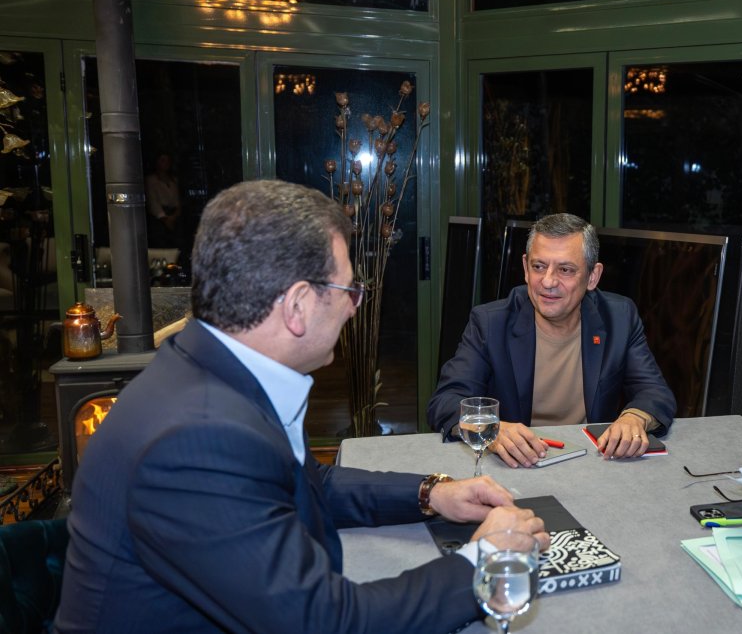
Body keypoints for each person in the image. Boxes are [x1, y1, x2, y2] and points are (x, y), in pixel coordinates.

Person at [55, 180, 548, 634]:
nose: (355, 306)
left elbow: (306, 484)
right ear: (296, 306)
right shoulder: (197, 439)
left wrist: (432, 493)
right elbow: (327, 623)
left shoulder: (212, 375)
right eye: (349, 290)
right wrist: (487, 561)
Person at [428, 213, 676, 465]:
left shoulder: (619, 317)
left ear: (593, 276)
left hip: (594, 462)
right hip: (516, 466)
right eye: (539, 266)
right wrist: (492, 429)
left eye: (565, 270)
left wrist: (634, 418)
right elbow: (446, 401)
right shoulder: (490, 322)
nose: (548, 281)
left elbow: (654, 391)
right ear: (525, 269)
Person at [144, 152, 181, 248]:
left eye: (168, 161)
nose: (166, 163)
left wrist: (174, 215)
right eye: (162, 160)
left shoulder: (174, 180)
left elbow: (177, 199)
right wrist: (164, 218)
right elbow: (152, 201)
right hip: (159, 218)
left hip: (173, 215)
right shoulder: (151, 180)